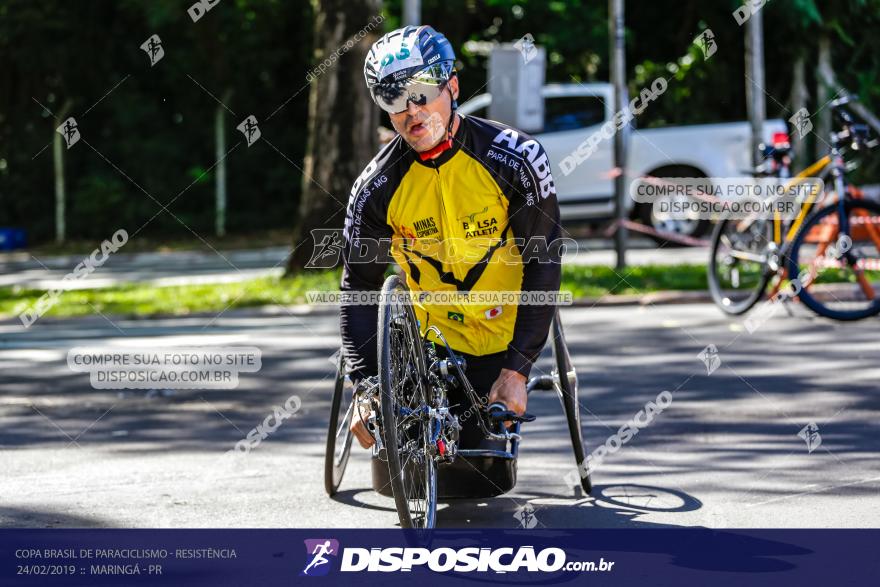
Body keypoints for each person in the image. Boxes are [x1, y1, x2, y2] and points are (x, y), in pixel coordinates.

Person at [340, 25, 561, 449]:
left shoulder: (515, 159)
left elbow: (543, 262)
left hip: (505, 334)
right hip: (428, 343)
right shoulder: (375, 188)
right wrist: (366, 389)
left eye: (421, 91)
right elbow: (361, 288)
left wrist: (518, 371)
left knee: (488, 470)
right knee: (400, 452)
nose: (411, 110)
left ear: (452, 85)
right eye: (394, 99)